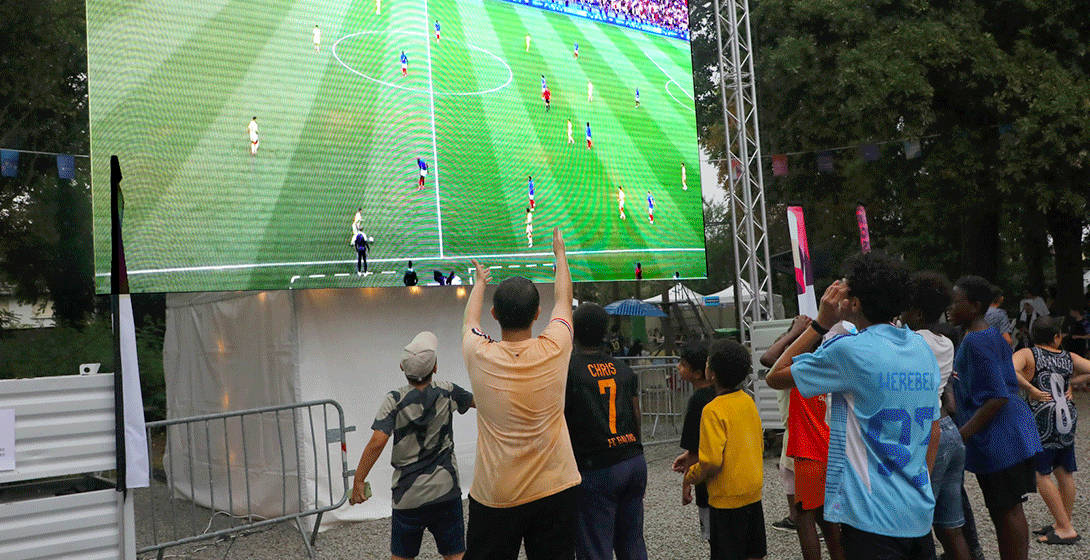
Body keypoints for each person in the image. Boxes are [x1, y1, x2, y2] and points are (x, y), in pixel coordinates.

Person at [767, 253, 942, 560]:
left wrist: (820, 323)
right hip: (916, 509)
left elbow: (775, 375)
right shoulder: (920, 347)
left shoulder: (850, 350)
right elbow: (934, 431)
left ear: (856, 302)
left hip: (871, 514)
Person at [462, 228, 578, 560]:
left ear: (495, 315)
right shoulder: (555, 345)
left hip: (497, 494)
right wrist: (560, 256)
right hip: (556, 487)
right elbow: (563, 300)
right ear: (537, 314)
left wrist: (480, 284)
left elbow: (470, 319)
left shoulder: (477, 352)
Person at [349, 331, 475, 560]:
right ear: (435, 368)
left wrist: (359, 479)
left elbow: (377, 441)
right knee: (456, 554)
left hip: (408, 495)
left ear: (401, 367)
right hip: (445, 490)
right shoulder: (448, 391)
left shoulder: (394, 400)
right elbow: (480, 402)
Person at [949, 275, 1043, 560]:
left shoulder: (977, 341)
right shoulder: (988, 334)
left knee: (1006, 509)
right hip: (1007, 432)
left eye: (956, 302)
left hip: (1001, 437)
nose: (949, 308)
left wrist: (961, 434)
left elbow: (997, 395)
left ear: (975, 306)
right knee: (1006, 508)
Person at [565, 303, 647, 560]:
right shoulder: (623, 369)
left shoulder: (568, 371)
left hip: (596, 466)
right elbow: (636, 415)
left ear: (574, 332)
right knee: (632, 541)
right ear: (604, 333)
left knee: (594, 547)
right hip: (632, 460)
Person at [760, 315, 843, 560]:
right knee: (826, 520)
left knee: (804, 518)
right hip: (824, 446)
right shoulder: (821, 367)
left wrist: (795, 332)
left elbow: (768, 361)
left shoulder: (796, 372)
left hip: (803, 451)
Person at [902, 272, 972, 560]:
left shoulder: (914, 341)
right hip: (949, 431)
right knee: (950, 527)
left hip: (926, 434)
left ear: (916, 312)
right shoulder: (945, 342)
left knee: (917, 525)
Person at [685, 339, 766, 560]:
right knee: (753, 553)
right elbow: (756, 441)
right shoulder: (748, 401)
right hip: (752, 493)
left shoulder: (712, 409)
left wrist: (692, 475)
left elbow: (711, 461)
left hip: (726, 499)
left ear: (710, 373)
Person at [1012, 316, 1090, 545]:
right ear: (1057, 337)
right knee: (1064, 469)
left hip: (1042, 416)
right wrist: (1071, 383)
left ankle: (1065, 527)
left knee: (1041, 473)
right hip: (1067, 414)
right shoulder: (1069, 356)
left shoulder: (1028, 354)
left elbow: (1009, 370)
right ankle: (1063, 521)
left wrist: (1030, 388)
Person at [671, 341, 713, 543]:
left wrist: (686, 484)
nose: (678, 367)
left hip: (708, 484)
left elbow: (696, 450)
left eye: (683, 364)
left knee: (716, 540)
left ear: (697, 372)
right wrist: (687, 456)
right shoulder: (721, 393)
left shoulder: (697, 402)